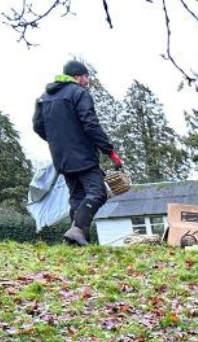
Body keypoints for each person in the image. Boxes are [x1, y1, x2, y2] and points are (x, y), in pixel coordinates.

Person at [32, 59, 123, 247]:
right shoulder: (78, 93)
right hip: (82, 156)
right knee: (98, 193)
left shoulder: (44, 98)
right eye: (86, 76)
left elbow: (38, 127)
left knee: (77, 197)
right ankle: (78, 229)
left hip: (61, 158)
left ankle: (76, 243)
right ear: (76, 76)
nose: (88, 81)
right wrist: (108, 150)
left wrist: (59, 142)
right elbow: (90, 123)